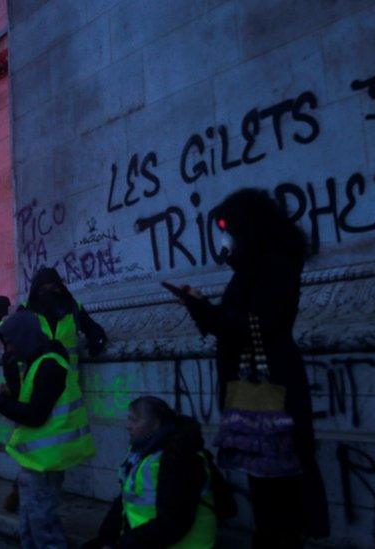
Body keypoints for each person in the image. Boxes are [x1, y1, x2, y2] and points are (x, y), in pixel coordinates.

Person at [173, 188, 329, 548]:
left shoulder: (275, 265)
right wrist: (204, 309)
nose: (225, 238)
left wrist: (206, 311)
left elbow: (256, 324)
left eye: (229, 228)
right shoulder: (256, 266)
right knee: (266, 481)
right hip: (258, 383)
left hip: (268, 385)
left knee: (277, 484)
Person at [0, 309, 96, 548]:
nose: (9, 350)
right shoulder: (37, 362)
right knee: (31, 527)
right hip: (37, 460)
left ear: (24, 337)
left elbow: (35, 415)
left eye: (10, 343)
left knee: (44, 530)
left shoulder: (49, 365)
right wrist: (7, 393)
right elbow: (33, 400)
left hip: (46, 462)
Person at [85, 397, 218, 549]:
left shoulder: (179, 458)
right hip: (147, 539)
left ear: (156, 424)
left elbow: (172, 524)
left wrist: (123, 544)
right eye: (129, 419)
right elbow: (124, 501)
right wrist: (107, 539)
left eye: (135, 420)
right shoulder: (143, 451)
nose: (128, 426)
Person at [18, 266, 108, 370]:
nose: (49, 293)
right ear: (36, 291)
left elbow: (93, 329)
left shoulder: (73, 308)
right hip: (33, 382)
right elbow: (11, 342)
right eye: (43, 289)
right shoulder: (25, 311)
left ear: (60, 288)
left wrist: (97, 341)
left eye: (53, 288)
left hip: (67, 383)